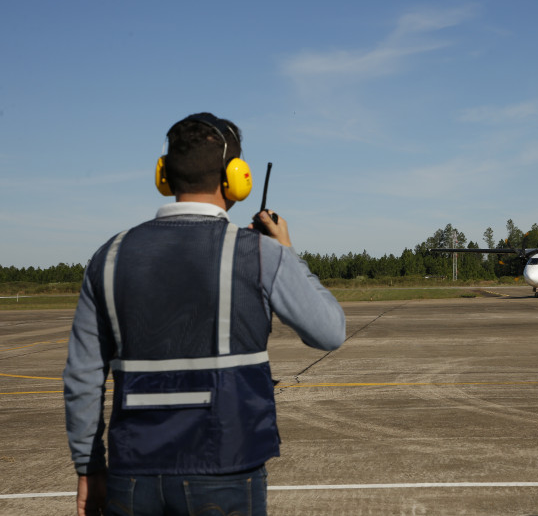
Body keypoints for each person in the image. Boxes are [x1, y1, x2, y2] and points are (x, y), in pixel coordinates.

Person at [63, 112, 347, 515]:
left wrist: (88, 467)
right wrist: (285, 252)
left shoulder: (109, 257)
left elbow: (83, 374)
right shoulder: (260, 254)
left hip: (134, 474)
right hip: (227, 469)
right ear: (236, 176)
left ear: (164, 175)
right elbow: (330, 331)